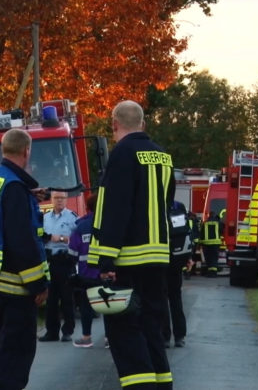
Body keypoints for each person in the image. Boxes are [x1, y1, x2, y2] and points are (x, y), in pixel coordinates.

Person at [88, 100, 174, 389]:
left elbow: (116, 208)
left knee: (125, 331)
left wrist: (106, 259)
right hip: (158, 258)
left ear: (114, 125)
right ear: (143, 124)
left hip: (129, 259)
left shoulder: (122, 154)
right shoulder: (163, 157)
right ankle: (163, 384)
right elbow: (167, 203)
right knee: (153, 328)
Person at [0, 128, 49, 390]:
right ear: (26, 151)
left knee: (2, 358)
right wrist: (38, 284)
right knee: (14, 363)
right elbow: (21, 241)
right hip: (15, 288)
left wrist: (28, 197)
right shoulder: (14, 187)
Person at [38, 190, 78, 342]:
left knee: (67, 298)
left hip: (65, 260)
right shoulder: (44, 218)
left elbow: (76, 240)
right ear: (51, 200)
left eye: (62, 198)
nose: (59, 201)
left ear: (66, 200)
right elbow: (39, 236)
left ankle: (67, 331)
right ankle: (51, 332)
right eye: (56, 198)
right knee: (51, 299)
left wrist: (60, 238)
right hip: (49, 261)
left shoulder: (73, 218)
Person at [66, 191, 103, 348]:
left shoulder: (81, 226)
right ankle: (109, 338)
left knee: (86, 306)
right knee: (107, 304)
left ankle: (86, 337)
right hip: (105, 272)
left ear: (87, 207)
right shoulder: (108, 223)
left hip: (86, 274)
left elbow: (72, 252)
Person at [162, 200, 191, 348]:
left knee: (161, 299)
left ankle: (165, 337)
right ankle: (180, 336)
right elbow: (186, 232)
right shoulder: (178, 206)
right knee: (175, 298)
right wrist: (187, 257)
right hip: (177, 257)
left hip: (159, 257)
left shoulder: (154, 202)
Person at [201, 211, 223, 277]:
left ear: (208, 215)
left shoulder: (205, 223)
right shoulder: (218, 223)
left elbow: (201, 233)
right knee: (214, 258)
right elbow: (221, 231)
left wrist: (200, 243)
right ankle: (214, 273)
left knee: (209, 258)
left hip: (206, 244)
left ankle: (210, 272)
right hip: (216, 243)